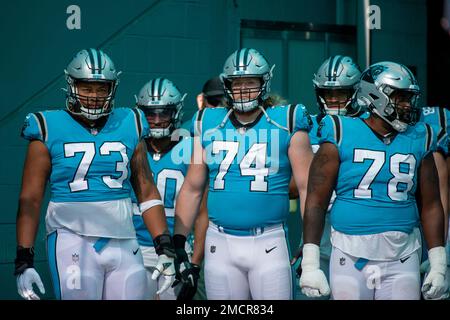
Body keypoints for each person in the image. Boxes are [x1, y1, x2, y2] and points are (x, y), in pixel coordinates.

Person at [15, 49, 176, 300]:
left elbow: (146, 190)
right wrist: (24, 257)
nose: (94, 95)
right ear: (71, 86)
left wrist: (163, 245)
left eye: (102, 88)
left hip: (124, 240)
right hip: (72, 239)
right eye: (86, 87)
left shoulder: (130, 121)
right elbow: (30, 199)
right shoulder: (46, 126)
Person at [300, 61, 448, 300]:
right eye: (399, 97)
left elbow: (431, 204)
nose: (406, 105)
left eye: (409, 98)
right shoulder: (339, 130)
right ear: (375, 95)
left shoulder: (420, 136)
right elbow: (316, 201)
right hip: (350, 252)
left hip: (404, 254)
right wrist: (310, 263)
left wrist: (439, 264)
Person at [173, 48, 314, 300]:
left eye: (251, 82)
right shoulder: (207, 121)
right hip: (220, 241)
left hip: (269, 241)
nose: (244, 89)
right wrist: (178, 242)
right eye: (237, 83)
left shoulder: (287, 120)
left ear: (264, 83)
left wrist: (310, 243)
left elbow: (307, 187)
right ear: (227, 86)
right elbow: (192, 188)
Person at [291, 55, 362, 300]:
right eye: (327, 92)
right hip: (316, 224)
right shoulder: (307, 126)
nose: (333, 99)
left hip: (356, 226)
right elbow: (292, 186)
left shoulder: (368, 127)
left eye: (341, 93)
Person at [132, 77, 208, 300]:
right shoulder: (128, 146)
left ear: (175, 113)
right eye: (150, 113)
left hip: (173, 250)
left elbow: (202, 214)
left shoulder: (191, 148)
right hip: (130, 248)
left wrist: (194, 263)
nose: (156, 120)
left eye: (163, 113)